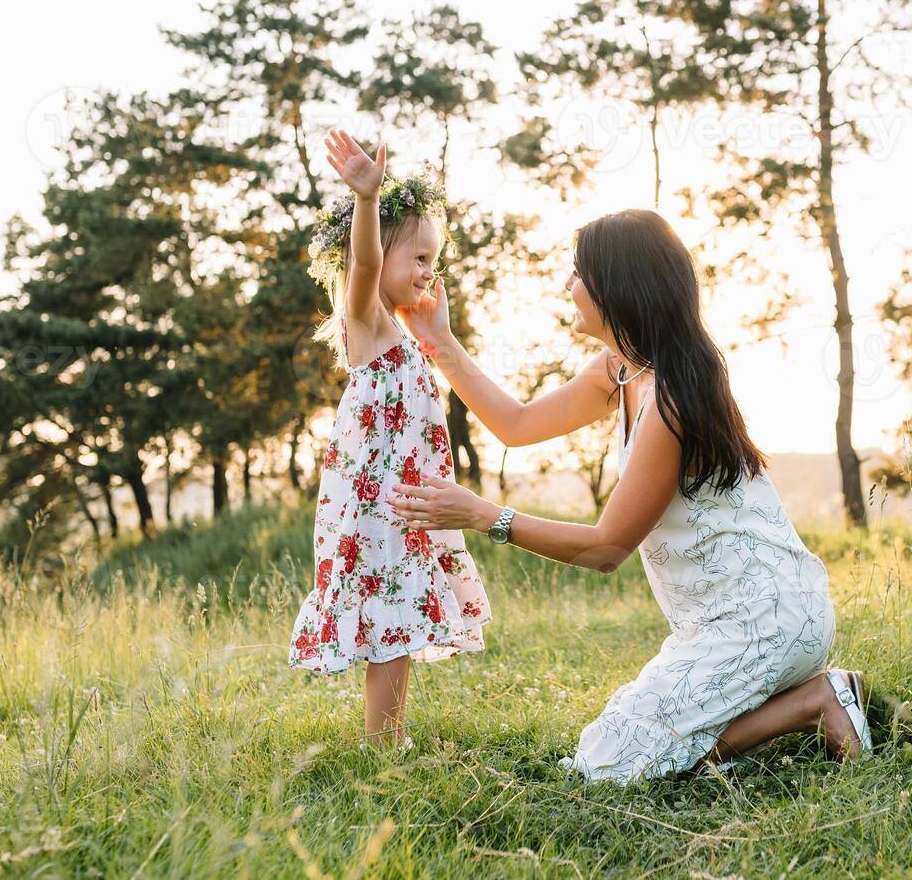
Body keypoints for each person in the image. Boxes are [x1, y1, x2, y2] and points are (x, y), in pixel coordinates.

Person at [390, 208, 871, 783]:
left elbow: (605, 548)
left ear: (616, 286)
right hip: (721, 628)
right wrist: (438, 339)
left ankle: (819, 700)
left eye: (576, 274)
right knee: (605, 753)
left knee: (613, 767)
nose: (566, 287)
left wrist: (482, 516)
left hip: (765, 620)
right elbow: (516, 426)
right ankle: (806, 701)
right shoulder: (620, 371)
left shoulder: (672, 398)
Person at [288, 130, 491, 748]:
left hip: (403, 501)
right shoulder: (366, 320)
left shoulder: (402, 338)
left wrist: (438, 331)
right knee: (391, 614)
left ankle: (389, 737)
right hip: (376, 506)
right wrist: (369, 202)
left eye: (435, 259)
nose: (429, 270)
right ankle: (384, 742)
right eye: (420, 258)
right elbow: (369, 265)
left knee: (398, 615)